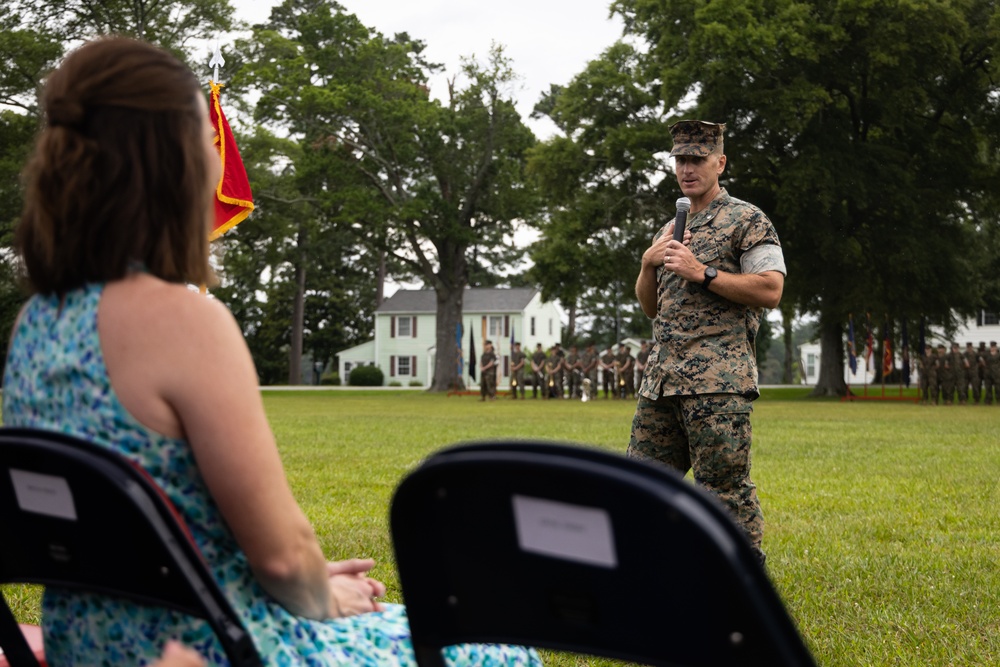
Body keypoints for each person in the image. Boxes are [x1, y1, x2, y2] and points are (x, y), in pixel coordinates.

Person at [2, 37, 539, 666]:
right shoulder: (183, 321)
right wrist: (319, 594)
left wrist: (301, 581)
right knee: (495, 650)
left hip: (88, 642)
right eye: (208, 142)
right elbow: (283, 555)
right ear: (172, 165)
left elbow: (131, 538)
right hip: (212, 646)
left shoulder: (36, 323)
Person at [626, 120, 786, 564]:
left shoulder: (747, 220)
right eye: (680, 159)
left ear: (720, 162)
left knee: (723, 493)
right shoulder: (669, 227)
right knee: (640, 488)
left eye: (697, 158)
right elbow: (652, 308)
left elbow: (770, 290)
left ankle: (741, 589)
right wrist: (646, 264)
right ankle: (646, 579)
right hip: (661, 383)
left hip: (717, 383)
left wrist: (704, 272)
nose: (687, 168)